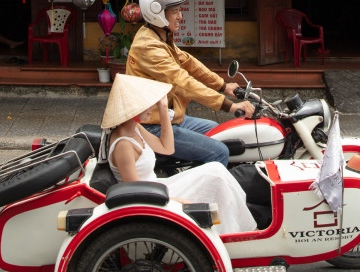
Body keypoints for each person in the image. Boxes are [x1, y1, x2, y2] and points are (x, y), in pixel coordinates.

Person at [102, 73, 257, 235]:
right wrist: (177, 201)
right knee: (217, 178)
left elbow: (166, 148)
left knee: (217, 169)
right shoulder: (124, 145)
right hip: (155, 198)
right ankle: (239, 232)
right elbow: (136, 193)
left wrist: (163, 110)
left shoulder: (135, 127)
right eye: (147, 104)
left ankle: (241, 229)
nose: (151, 108)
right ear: (133, 108)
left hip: (160, 187)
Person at [125, 0, 256, 166]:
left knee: (221, 131)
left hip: (171, 118)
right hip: (152, 125)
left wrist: (223, 85)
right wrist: (229, 106)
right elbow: (182, 82)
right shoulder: (148, 46)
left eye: (180, 10)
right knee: (219, 151)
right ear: (156, 12)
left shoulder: (158, 36)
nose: (180, 16)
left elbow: (188, 62)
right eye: (175, 11)